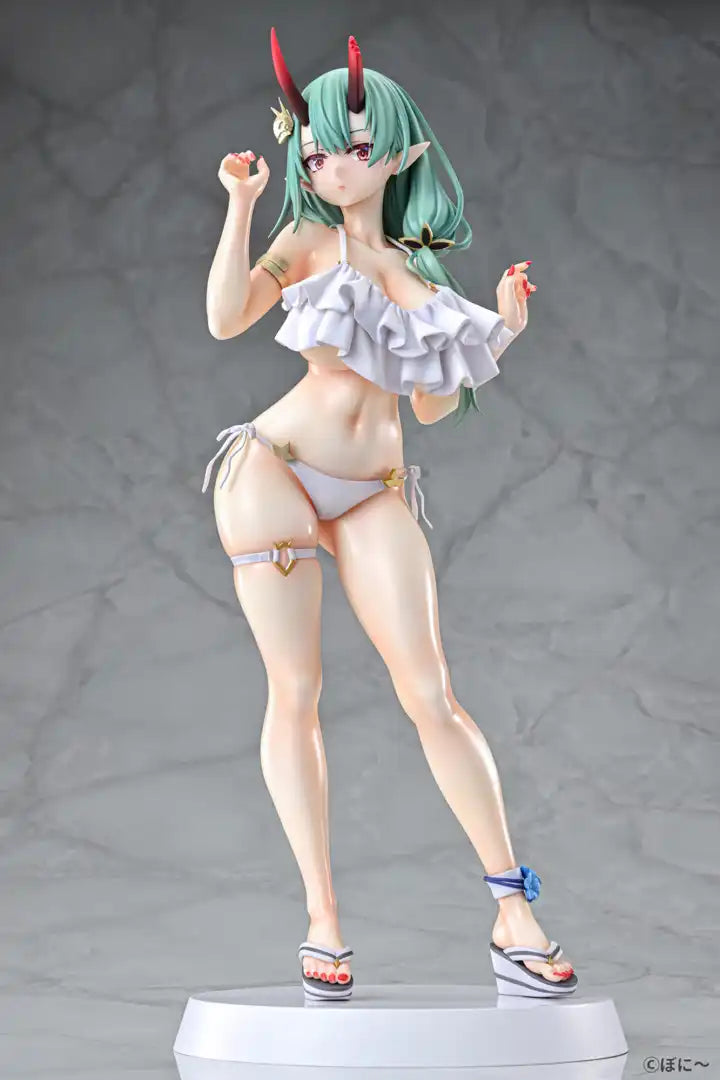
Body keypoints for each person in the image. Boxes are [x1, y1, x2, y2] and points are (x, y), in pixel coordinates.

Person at [202, 28, 577, 1002]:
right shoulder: (303, 242)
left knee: (432, 694)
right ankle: (322, 918)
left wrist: (504, 334)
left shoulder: (420, 271)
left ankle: (512, 908)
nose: (329, 166)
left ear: (402, 153)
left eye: (353, 148)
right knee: (296, 690)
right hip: (275, 473)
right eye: (315, 152)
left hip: (374, 491)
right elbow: (225, 318)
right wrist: (241, 206)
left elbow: (433, 407)